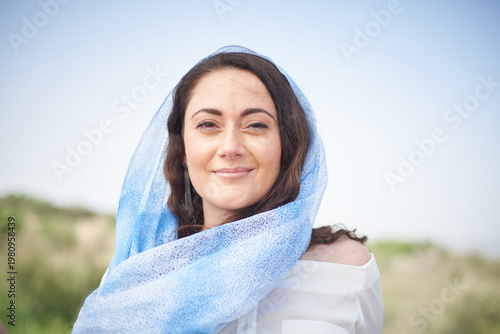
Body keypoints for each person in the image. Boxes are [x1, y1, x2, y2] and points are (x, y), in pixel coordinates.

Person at [72, 46, 383, 333]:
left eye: (256, 125)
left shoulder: (347, 268)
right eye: (208, 124)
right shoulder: (138, 276)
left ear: (285, 146)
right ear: (183, 148)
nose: (231, 147)